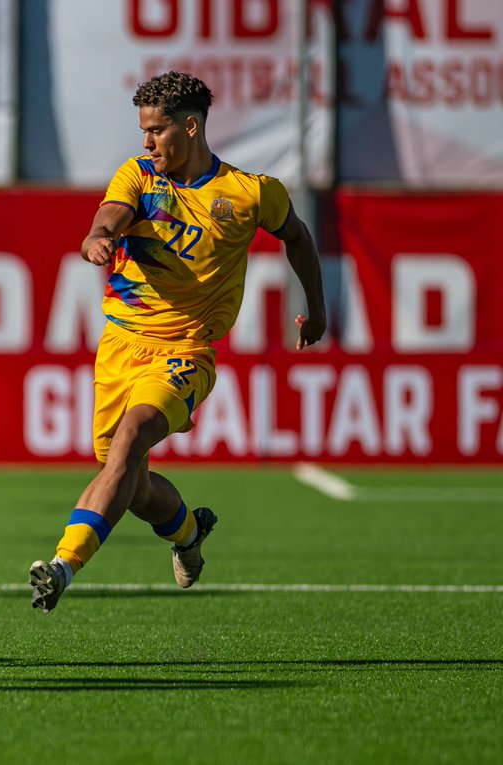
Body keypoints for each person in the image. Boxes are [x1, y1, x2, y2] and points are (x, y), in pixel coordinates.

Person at [29, 71, 326, 613]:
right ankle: (189, 531)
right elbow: (110, 216)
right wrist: (98, 236)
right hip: (120, 347)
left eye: (156, 131)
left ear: (190, 127)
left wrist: (318, 308)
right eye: (143, 131)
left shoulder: (249, 193)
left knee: (131, 438)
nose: (146, 142)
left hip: (186, 352)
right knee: (132, 485)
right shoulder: (140, 176)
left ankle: (62, 567)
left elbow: (298, 237)